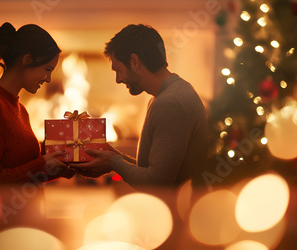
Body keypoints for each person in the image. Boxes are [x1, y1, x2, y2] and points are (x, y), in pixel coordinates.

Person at [71, 24, 209, 189]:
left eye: (118, 70)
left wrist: (113, 163)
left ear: (134, 62)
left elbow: (156, 183)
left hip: (177, 210)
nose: (118, 79)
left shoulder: (170, 103)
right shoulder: (170, 93)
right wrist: (114, 156)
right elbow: (154, 169)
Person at [0, 22, 73, 184]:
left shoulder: (20, 110)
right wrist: (42, 163)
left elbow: (24, 174)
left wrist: (67, 167)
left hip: (27, 207)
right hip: (3, 209)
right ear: (27, 60)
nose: (48, 79)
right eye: (47, 69)